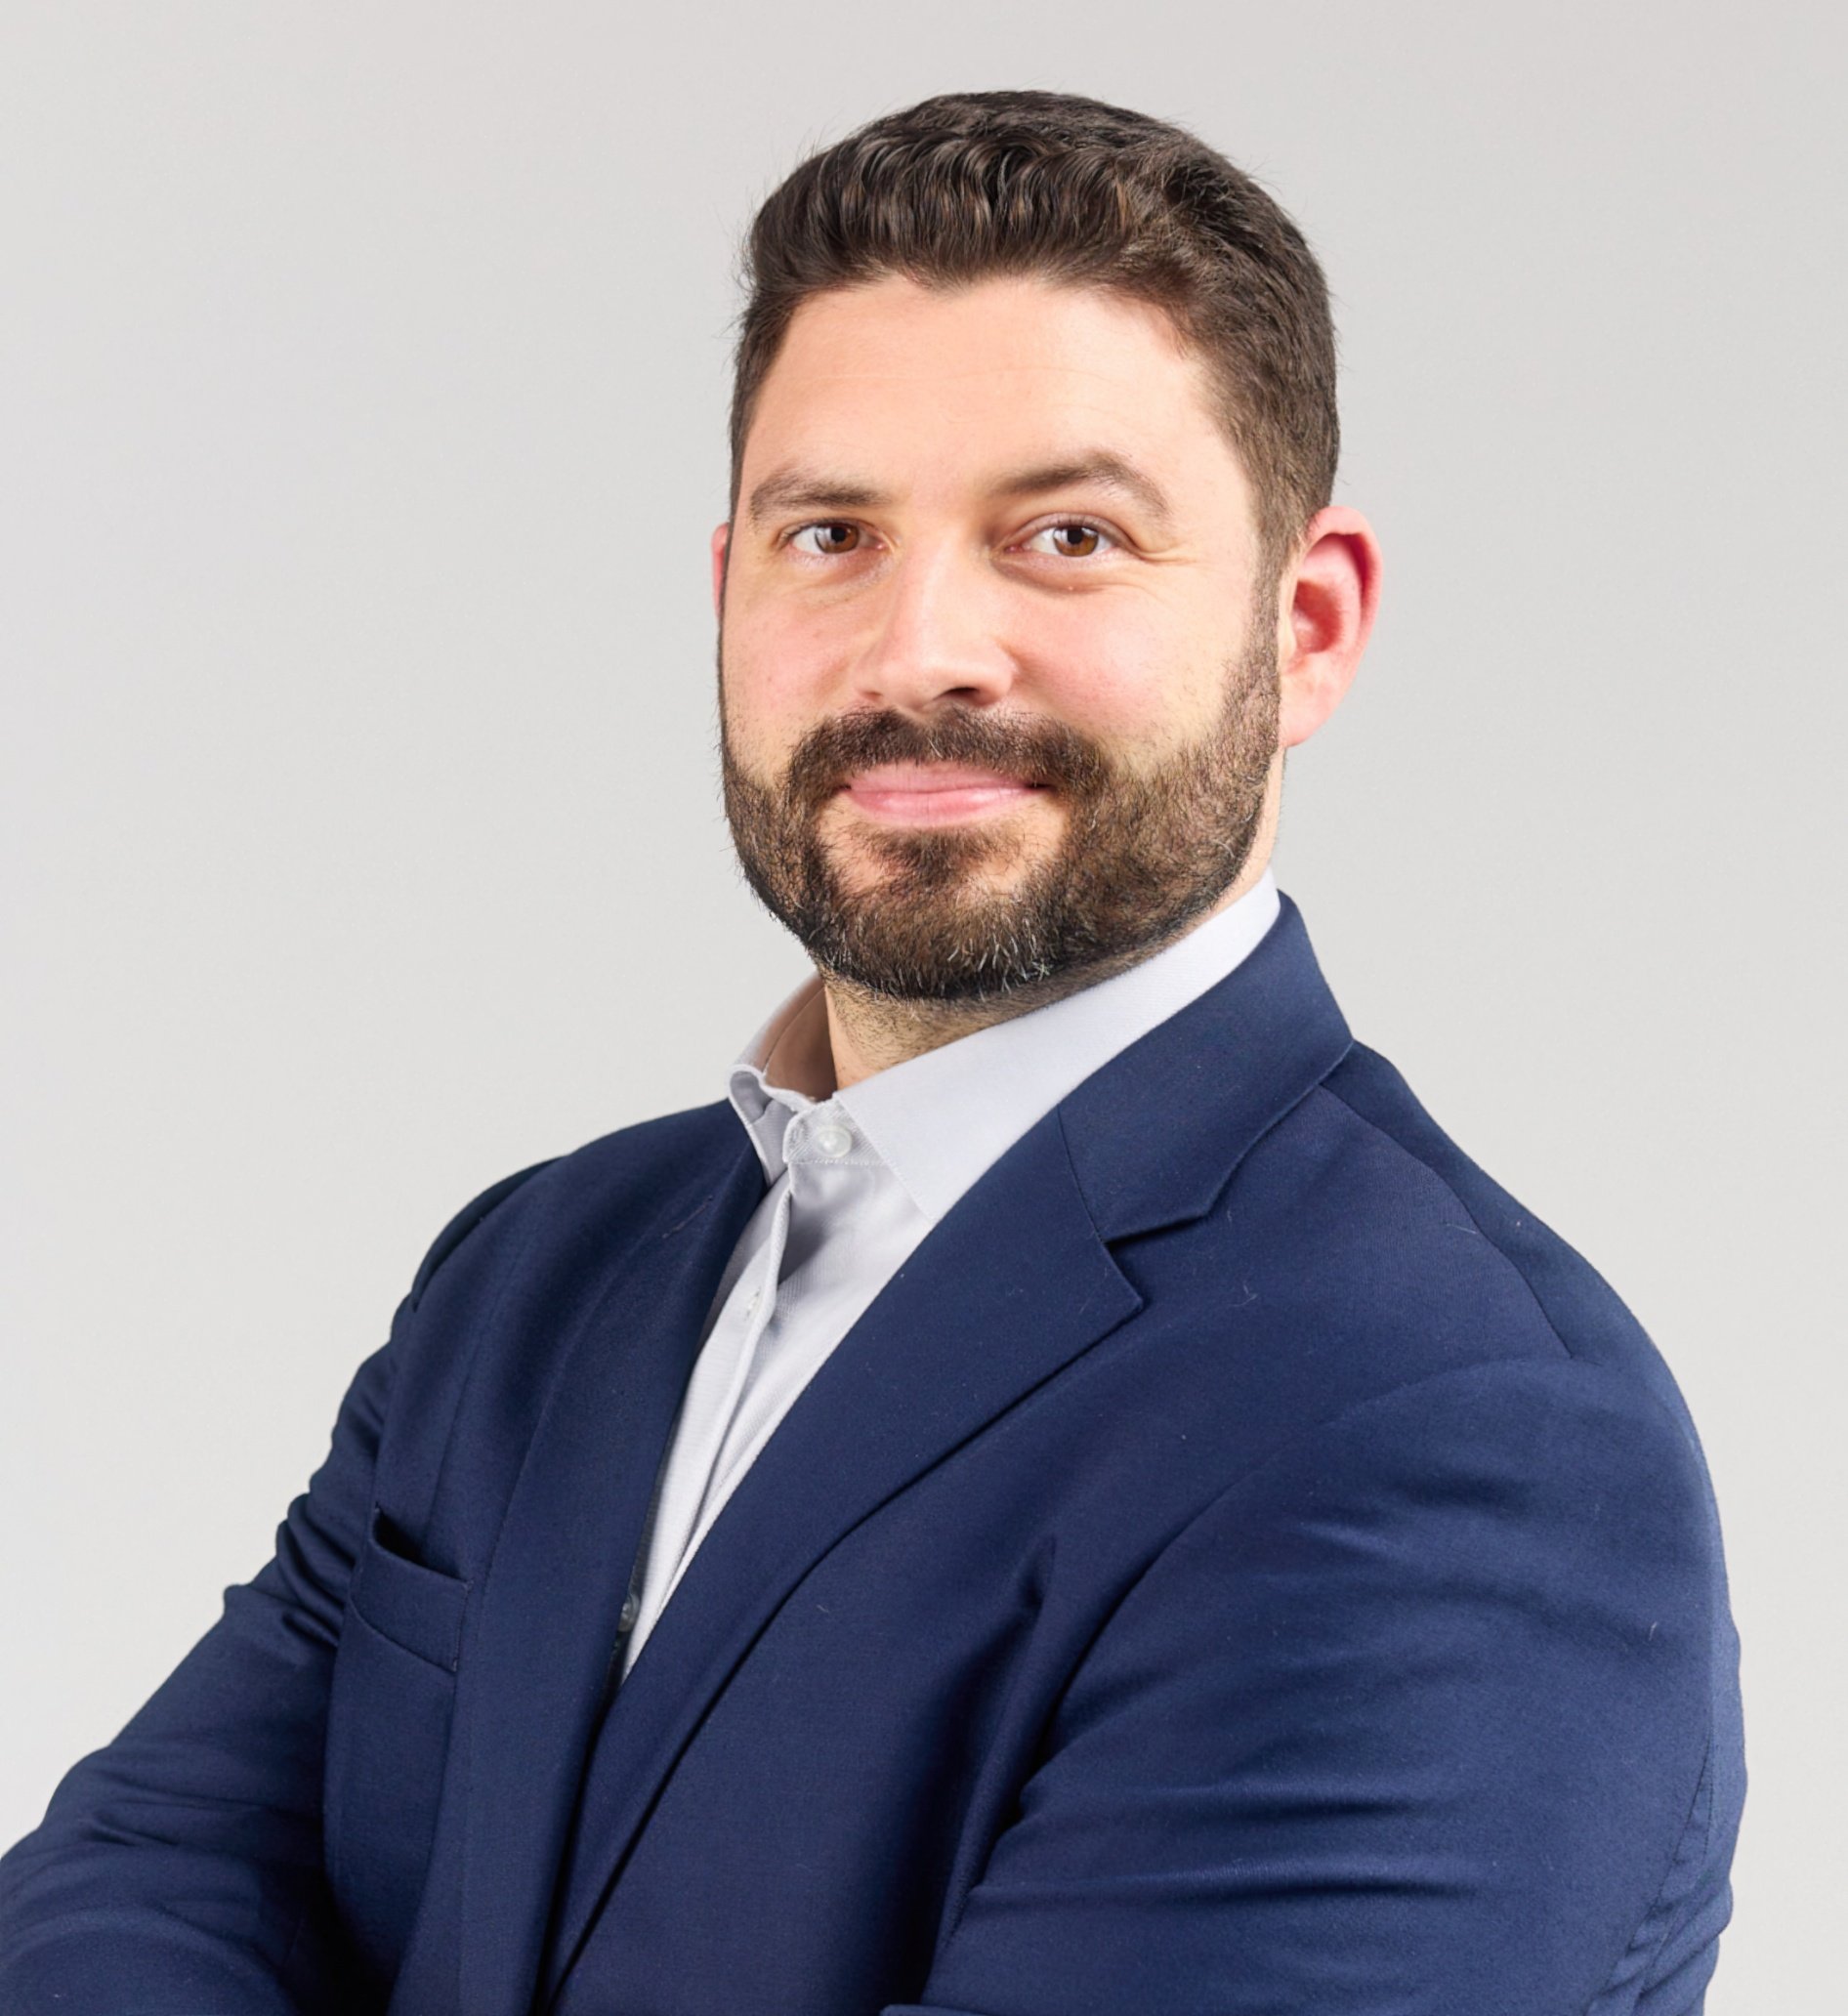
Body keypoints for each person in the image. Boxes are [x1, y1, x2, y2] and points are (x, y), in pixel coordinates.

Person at [0, 88, 1743, 2016]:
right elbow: (143, 1877)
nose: (920, 650)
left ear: (1305, 628)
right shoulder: (541, 1272)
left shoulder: (1455, 1430)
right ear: (728, 588)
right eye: (829, 534)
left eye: (1064, 536)